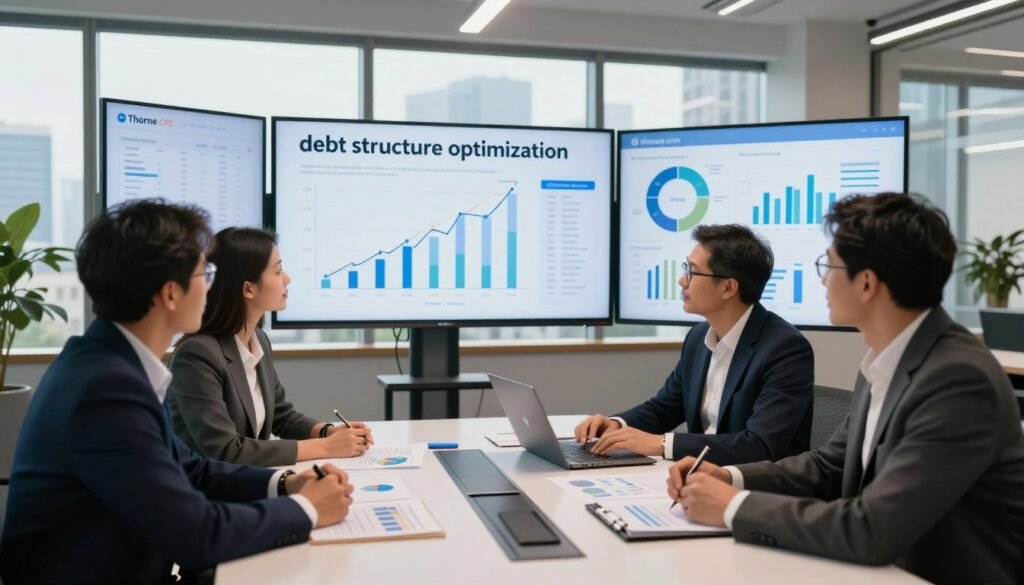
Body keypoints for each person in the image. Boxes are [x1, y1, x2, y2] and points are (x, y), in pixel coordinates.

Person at [668, 193, 1024, 585]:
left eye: (829, 265)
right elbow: (828, 467)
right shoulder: (887, 359)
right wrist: (729, 477)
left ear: (867, 284)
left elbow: (873, 528)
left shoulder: (957, 380)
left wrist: (735, 507)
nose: (823, 278)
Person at [0, 200, 354, 585]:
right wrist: (307, 509)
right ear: (171, 293)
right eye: (205, 273)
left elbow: (193, 468)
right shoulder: (106, 391)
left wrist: (286, 483)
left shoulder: (111, 364)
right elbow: (197, 535)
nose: (211, 285)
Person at [576, 224, 814, 465]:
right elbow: (665, 407)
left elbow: (759, 445)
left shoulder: (785, 349)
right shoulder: (698, 338)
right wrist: (616, 425)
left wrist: (661, 444)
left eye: (691, 272)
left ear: (728, 287)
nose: (681, 281)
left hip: (755, 489)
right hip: (700, 476)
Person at [167, 227, 373, 466]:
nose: (287, 279)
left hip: (246, 482)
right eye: (278, 271)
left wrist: (328, 432)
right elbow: (225, 451)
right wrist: (325, 447)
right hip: (207, 494)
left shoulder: (258, 340)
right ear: (248, 289)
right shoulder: (197, 356)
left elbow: (282, 417)